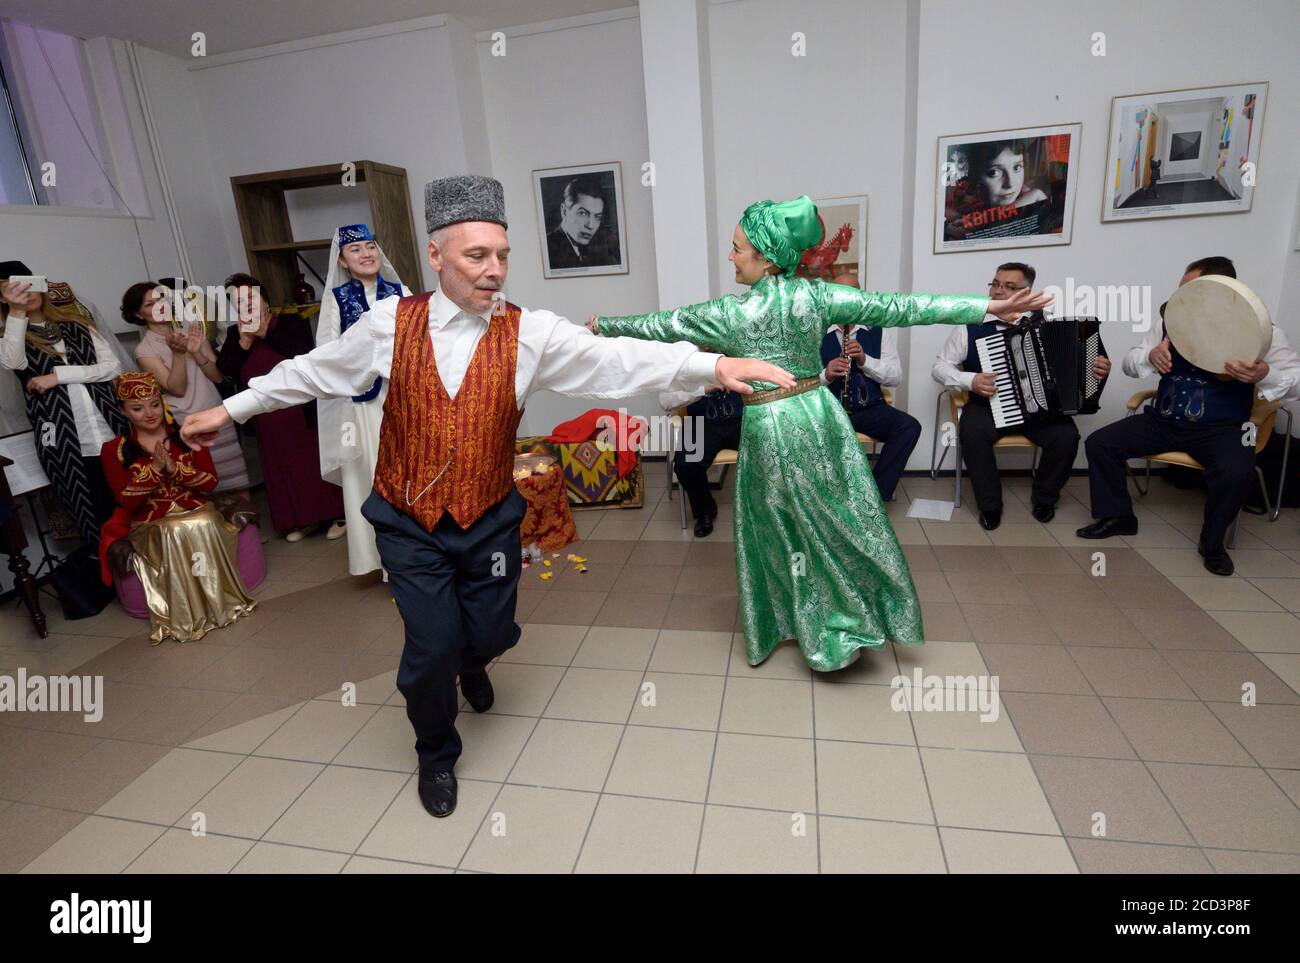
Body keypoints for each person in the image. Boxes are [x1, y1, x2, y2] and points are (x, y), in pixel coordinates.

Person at [180, 175, 792, 818]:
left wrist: (710, 367)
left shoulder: (532, 334)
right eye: (477, 256)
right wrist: (233, 409)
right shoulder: (390, 324)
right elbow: (314, 370)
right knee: (430, 647)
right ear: (437, 255)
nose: (495, 270)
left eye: (503, 255)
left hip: (489, 518)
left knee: (494, 631)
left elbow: (613, 359)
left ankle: (477, 662)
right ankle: (435, 753)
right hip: (408, 520)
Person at [591, 195, 1051, 673]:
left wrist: (602, 325)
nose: (730, 257)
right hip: (819, 415)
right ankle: (854, 615)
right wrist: (986, 306)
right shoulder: (816, 295)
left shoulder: (730, 313)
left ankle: (802, 621)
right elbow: (902, 306)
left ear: (765, 257)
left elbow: (659, 324)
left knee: (778, 528)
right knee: (841, 522)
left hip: (770, 425)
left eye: (736, 248)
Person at [1077, 256, 1300, 575]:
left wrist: (1265, 373)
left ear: (1221, 290)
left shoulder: (1262, 332)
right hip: (1163, 420)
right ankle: (1118, 517)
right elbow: (1130, 362)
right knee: (1100, 443)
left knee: (1237, 471)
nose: (1179, 296)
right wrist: (1150, 357)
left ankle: (1212, 544)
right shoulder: (1169, 321)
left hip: (1224, 428)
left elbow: (1295, 382)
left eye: (1189, 289)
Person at [932, 262, 1111, 529]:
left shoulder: (1048, 322)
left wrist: (1098, 368)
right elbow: (939, 367)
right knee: (972, 432)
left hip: (1042, 409)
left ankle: (1045, 499)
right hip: (988, 405)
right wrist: (970, 380)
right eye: (995, 284)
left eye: (1009, 286)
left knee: (1066, 437)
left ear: (1026, 292)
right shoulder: (970, 326)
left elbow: (1081, 368)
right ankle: (990, 506)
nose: (998, 291)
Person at [99, 371, 255, 644]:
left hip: (194, 506)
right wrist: (155, 471)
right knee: (173, 530)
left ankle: (219, 602)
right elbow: (125, 500)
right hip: (151, 520)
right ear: (123, 410)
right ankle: (187, 613)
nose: (149, 413)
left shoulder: (187, 435)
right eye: (138, 408)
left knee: (202, 521)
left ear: (163, 403)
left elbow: (210, 483)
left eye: (155, 404)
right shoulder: (114, 449)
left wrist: (177, 471)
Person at [1, 262, 127, 548]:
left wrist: (58, 376)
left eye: (28, 283)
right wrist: (17, 312)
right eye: (14, 288)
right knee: (92, 509)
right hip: (65, 442)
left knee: (132, 497)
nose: (25, 292)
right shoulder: (9, 338)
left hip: (110, 428)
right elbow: (12, 361)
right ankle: (114, 576)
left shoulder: (77, 324)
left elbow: (112, 367)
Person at [215, 273, 346, 544]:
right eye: (238, 301)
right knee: (281, 470)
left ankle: (337, 515)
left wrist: (264, 333)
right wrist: (245, 342)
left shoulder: (289, 322)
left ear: (263, 298)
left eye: (250, 296)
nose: (246, 304)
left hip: (299, 411)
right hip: (265, 417)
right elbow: (225, 370)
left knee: (311, 463)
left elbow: (305, 353)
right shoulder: (234, 333)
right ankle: (302, 521)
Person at [315, 224, 412, 576]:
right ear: (342, 260)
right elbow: (327, 354)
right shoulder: (336, 300)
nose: (366, 254)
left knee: (407, 474)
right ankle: (382, 561)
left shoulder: (400, 291)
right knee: (371, 476)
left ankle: (417, 559)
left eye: (371, 246)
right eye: (356, 249)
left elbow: (422, 340)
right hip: (362, 404)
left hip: (402, 400)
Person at [121, 281, 251, 498]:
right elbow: (177, 389)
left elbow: (218, 376)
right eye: (149, 304)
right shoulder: (144, 350)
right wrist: (179, 354)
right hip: (186, 421)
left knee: (239, 484)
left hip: (216, 411)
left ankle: (248, 532)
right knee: (207, 488)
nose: (159, 306)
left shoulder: (191, 330)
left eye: (161, 299)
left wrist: (197, 352)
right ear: (139, 314)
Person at [820, 318, 919, 502]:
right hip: (829, 410)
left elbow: (895, 377)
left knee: (908, 427)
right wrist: (826, 374)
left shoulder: (878, 333)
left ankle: (876, 495)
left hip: (869, 408)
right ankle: (827, 497)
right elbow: (801, 382)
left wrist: (865, 361)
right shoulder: (816, 332)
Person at [660, 385, 745, 537]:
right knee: (686, 466)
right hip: (702, 423)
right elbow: (666, 401)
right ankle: (705, 509)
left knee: (768, 449)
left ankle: (766, 507)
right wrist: (704, 389)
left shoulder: (738, 360)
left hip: (742, 419)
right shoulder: (683, 363)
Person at [546, 175, 615, 269]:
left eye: (597, 217)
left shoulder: (598, 252)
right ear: (564, 211)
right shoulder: (548, 250)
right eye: (582, 213)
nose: (591, 225)